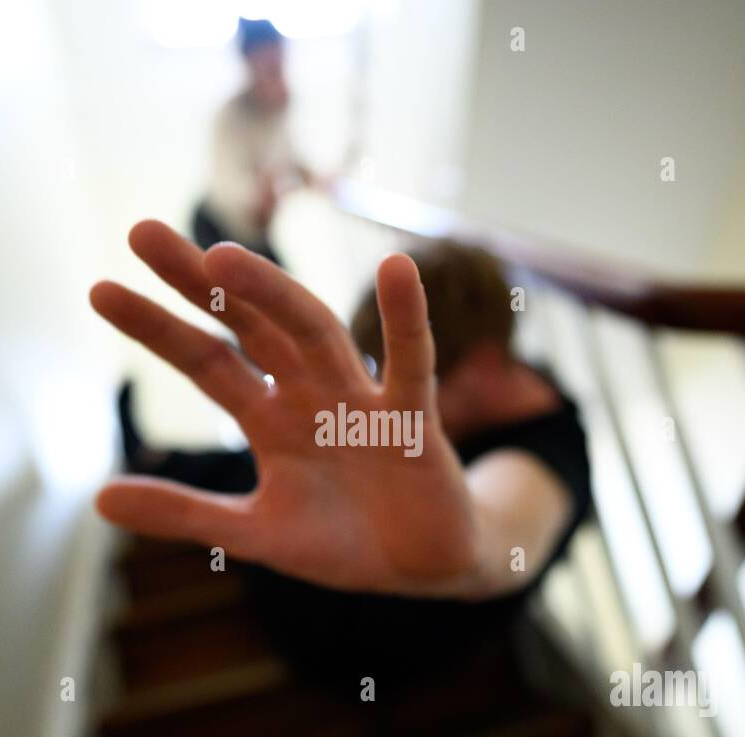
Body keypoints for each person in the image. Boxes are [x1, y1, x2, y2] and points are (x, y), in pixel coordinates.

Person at [91, 222, 591, 682]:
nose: (395, 395)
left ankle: (151, 459)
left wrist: (470, 551)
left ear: (481, 366)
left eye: (428, 382)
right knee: (283, 458)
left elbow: (502, 524)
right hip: (340, 582)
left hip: (357, 649)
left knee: (266, 471)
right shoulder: (515, 385)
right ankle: (153, 457)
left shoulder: (550, 453)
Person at [191, 18, 313, 266]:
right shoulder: (229, 115)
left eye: (279, 64)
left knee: (282, 294)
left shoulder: (279, 107)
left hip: (255, 232)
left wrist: (310, 174)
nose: (277, 71)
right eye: (269, 65)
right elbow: (225, 183)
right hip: (218, 227)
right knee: (222, 303)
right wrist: (258, 197)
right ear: (249, 63)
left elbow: (289, 154)